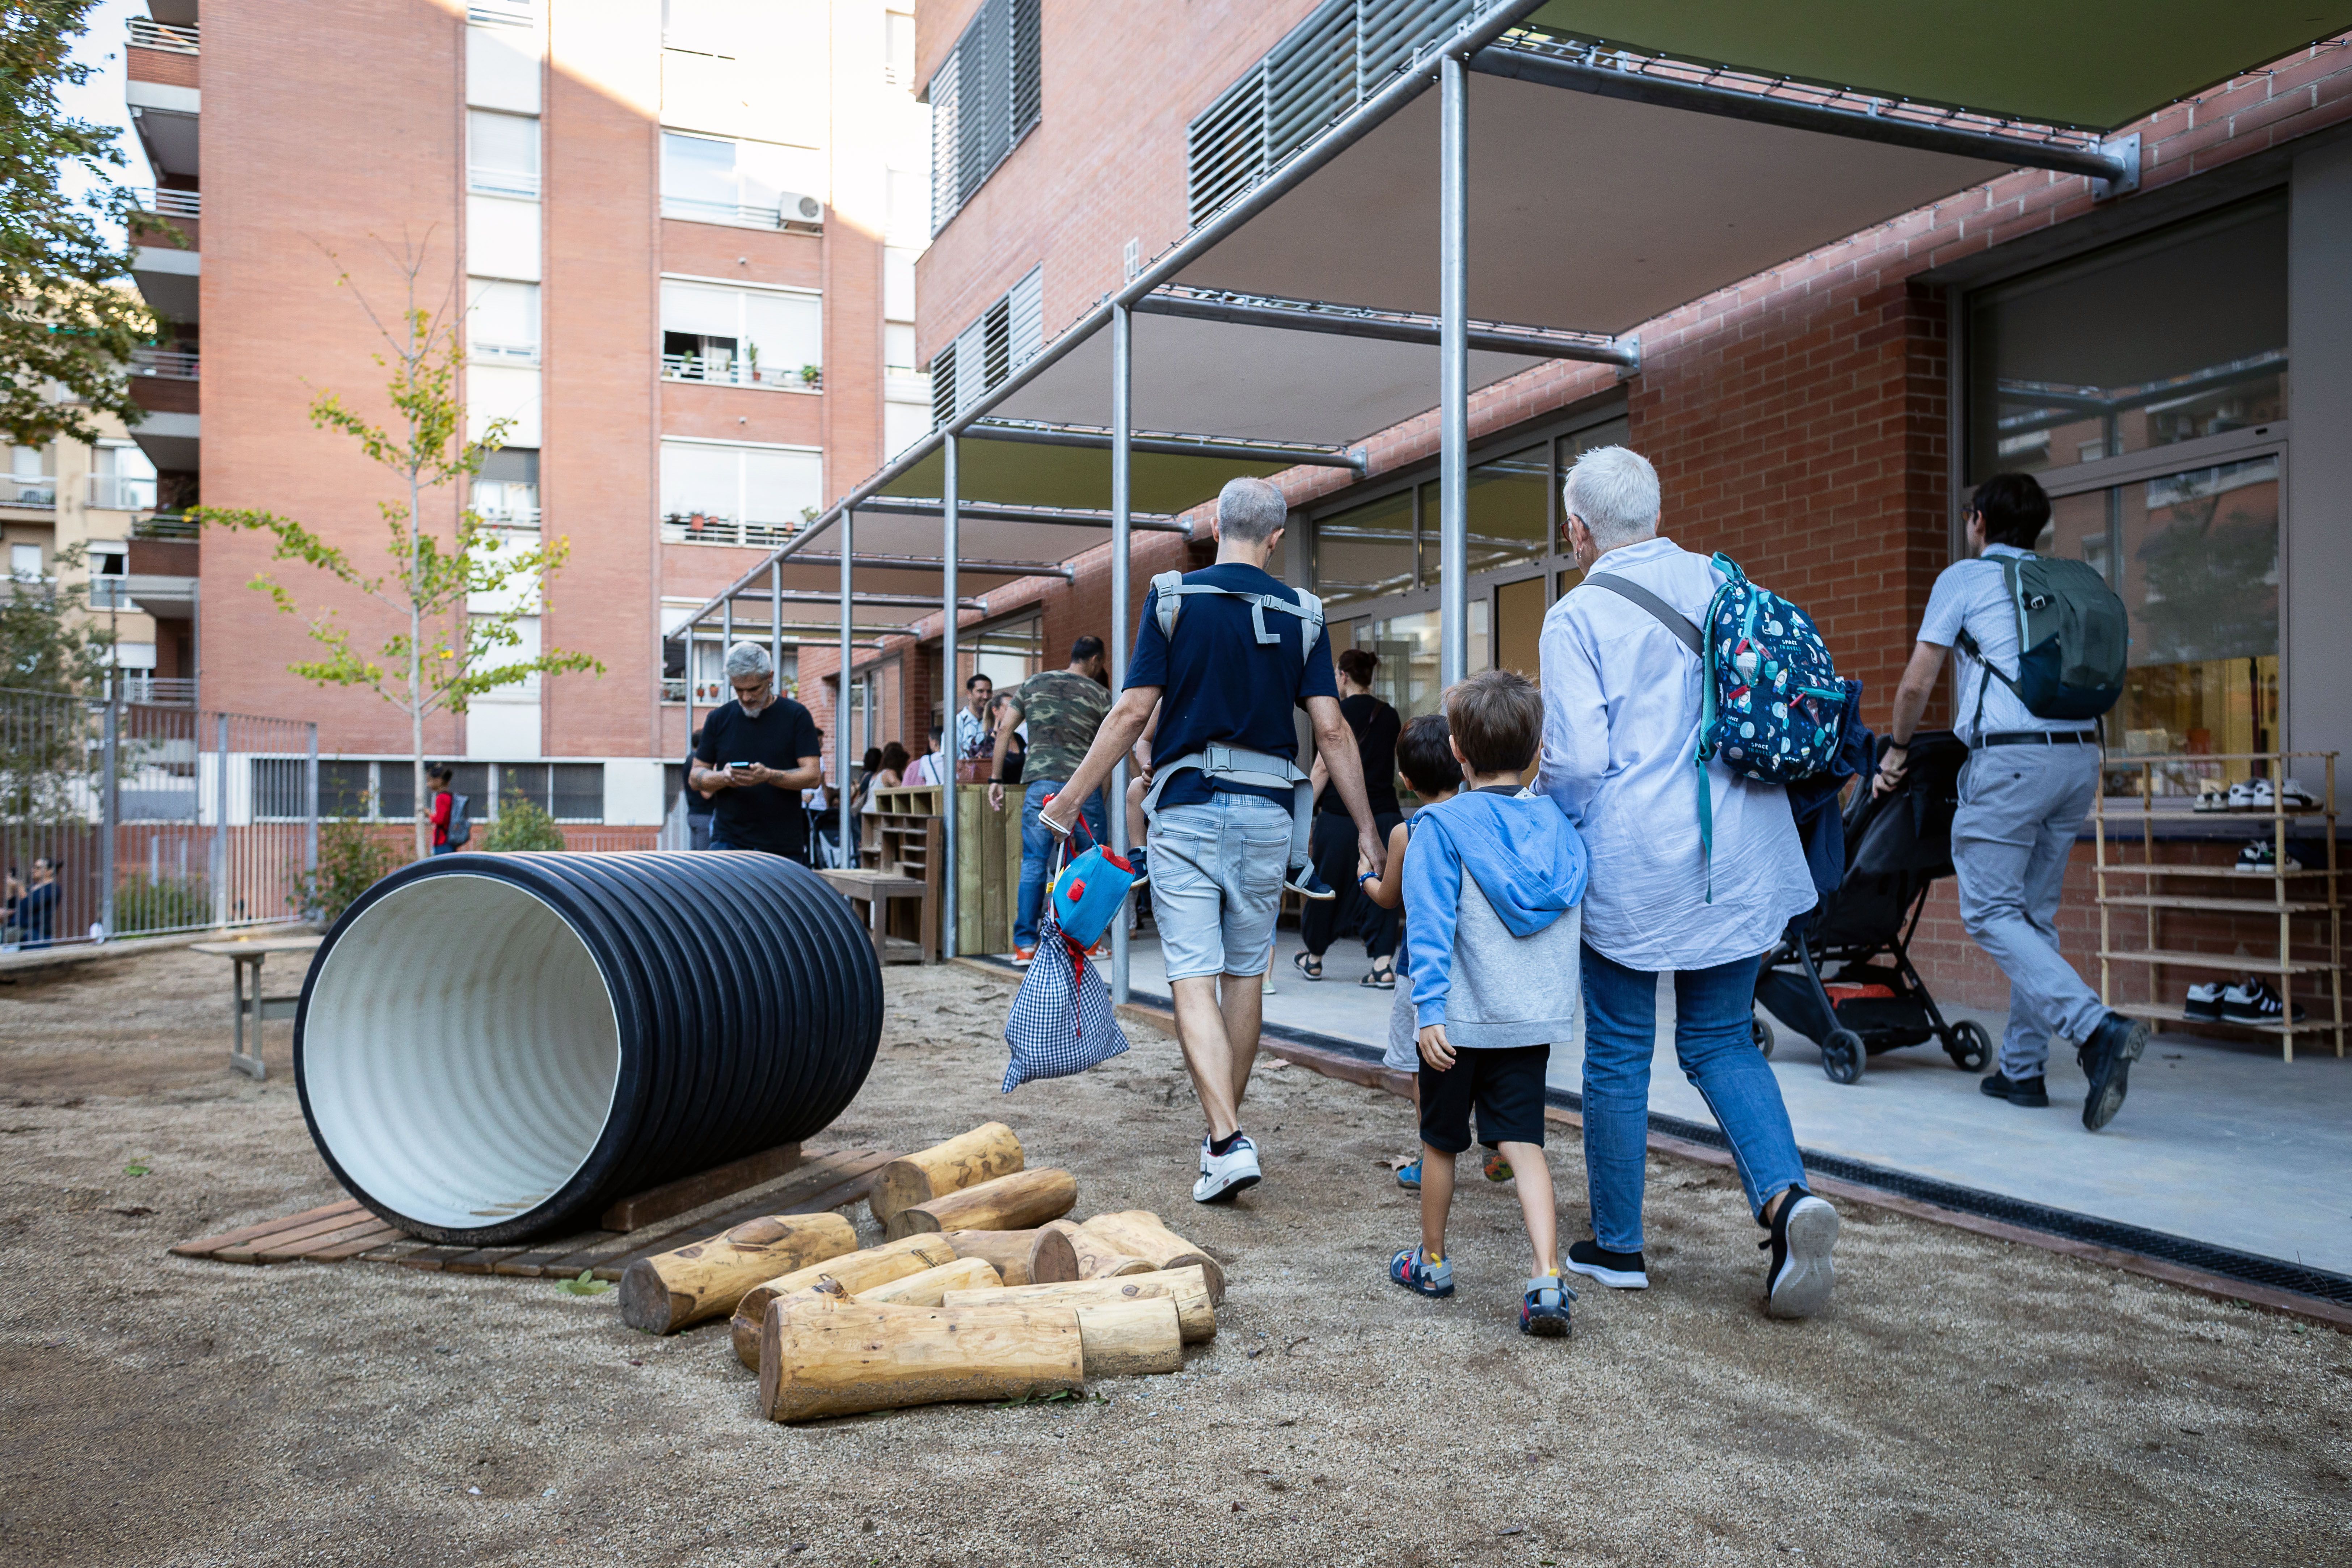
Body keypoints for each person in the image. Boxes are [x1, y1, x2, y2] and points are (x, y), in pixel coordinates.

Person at [1538, 445, 1838, 1320]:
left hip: (1637, 860)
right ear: (1656, 510)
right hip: (1743, 851)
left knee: (1622, 1049)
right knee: (1719, 1042)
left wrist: (1543, 806)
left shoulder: (1578, 615)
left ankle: (1619, 1245)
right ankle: (1786, 1202)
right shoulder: (1721, 581)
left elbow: (1579, 761)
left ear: (1577, 528)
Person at [1042, 477, 1387, 1204]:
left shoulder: (1172, 598)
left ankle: (1227, 1141)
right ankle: (1219, 1142)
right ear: (1275, 539)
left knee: (1191, 974)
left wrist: (1072, 797)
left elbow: (1134, 712)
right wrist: (1366, 830)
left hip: (1190, 806)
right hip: (1268, 813)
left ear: (1215, 525)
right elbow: (1331, 730)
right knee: (1244, 975)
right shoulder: (1304, 612)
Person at [1877, 472, 2148, 1131]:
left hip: (2011, 759)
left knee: (1992, 911)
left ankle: (2094, 1028)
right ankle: (2022, 1070)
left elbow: (1917, 682)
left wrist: (1894, 749)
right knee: (2033, 913)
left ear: (1976, 521)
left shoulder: (1965, 580)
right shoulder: (2060, 582)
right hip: (2078, 755)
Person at [1382, 671, 1585, 1336]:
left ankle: (1432, 1260)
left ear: (1459, 754)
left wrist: (1428, 1010)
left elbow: (1431, 924)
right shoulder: (1558, 825)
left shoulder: (1438, 826)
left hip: (1458, 1022)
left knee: (1440, 1143)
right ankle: (1547, 1273)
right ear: (1533, 750)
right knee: (1524, 1142)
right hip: (1528, 1019)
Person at [1358, 713, 1515, 1192]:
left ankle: (1433, 1159)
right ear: (1463, 762)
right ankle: (1496, 1149)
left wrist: (1365, 876)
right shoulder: (1486, 819)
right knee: (1489, 1061)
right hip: (1483, 962)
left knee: (1425, 1070)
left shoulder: (1409, 831)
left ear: (1404, 780)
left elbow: (1390, 898)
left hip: (1421, 967)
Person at [989, 637, 1114, 965]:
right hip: (1082, 787)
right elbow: (1110, 751)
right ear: (1096, 661)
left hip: (1040, 789)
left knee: (1033, 863)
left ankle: (1026, 946)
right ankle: (1086, 943)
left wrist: (996, 779)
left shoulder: (1033, 683)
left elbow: (1004, 730)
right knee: (1090, 865)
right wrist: (1099, 797)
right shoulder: (1101, 695)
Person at [1297, 646, 1404, 986]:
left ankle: (1314, 958)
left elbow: (1322, 768)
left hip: (1341, 817)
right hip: (1385, 815)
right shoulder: (1390, 715)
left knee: (1326, 885)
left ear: (1343, 676)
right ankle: (1382, 964)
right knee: (1384, 884)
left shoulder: (1336, 714)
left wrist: (1302, 815)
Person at [691, 641, 826, 861]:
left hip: (782, 845)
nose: (746, 698)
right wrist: (724, 778)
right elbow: (696, 778)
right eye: (738, 690)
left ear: (770, 677)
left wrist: (769, 776)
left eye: (754, 689)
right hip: (728, 843)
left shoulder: (796, 716)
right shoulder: (718, 719)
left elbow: (813, 777)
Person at [954, 674, 995, 774]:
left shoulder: (994, 721)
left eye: (989, 692)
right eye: (981, 691)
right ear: (969, 694)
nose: (986, 696)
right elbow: (948, 757)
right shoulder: (958, 722)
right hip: (963, 783)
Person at [683, 729, 716, 851]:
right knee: (705, 860)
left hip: (693, 815)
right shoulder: (700, 764)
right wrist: (720, 778)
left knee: (696, 859)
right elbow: (706, 794)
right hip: (704, 817)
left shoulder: (689, 759)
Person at [427, 766, 458, 856]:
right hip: (451, 840)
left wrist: (429, 815)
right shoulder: (450, 797)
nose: (428, 784)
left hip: (443, 842)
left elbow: (440, 820)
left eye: (430, 781)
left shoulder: (441, 798)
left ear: (439, 781)